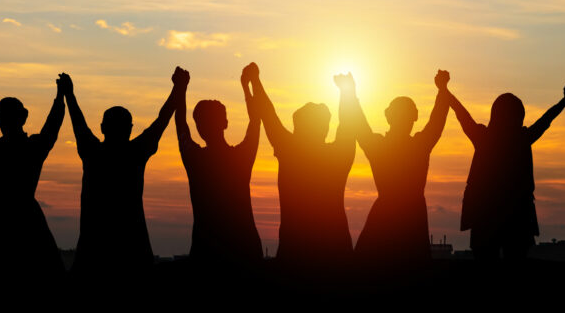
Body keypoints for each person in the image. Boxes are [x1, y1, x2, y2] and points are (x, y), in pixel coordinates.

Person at [64, 70, 178, 272]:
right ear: (130, 128)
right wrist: (178, 89)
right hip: (132, 248)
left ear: (102, 127)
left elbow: (78, 122)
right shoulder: (136, 152)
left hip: (93, 249)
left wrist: (69, 94)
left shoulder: (92, 152)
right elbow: (162, 120)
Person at [249, 63, 356, 267]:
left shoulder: (290, 150)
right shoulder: (338, 155)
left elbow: (267, 113)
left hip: (295, 252)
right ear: (324, 128)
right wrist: (347, 93)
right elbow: (348, 125)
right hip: (336, 252)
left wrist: (255, 80)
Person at [447, 81, 565, 261]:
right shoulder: (522, 138)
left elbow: (462, 114)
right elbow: (546, 120)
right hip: (517, 218)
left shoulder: (483, 137)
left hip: (485, 217)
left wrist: (445, 91)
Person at [0, 69, 65, 271]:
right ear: (24, 117)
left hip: (0, 217)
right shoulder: (33, 147)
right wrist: (61, 95)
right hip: (25, 216)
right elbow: (53, 125)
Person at [345, 69, 450, 267]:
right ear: (414, 118)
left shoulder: (381, 146)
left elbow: (359, 125)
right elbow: (437, 122)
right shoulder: (418, 145)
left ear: (388, 117)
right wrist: (442, 90)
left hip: (391, 217)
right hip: (410, 218)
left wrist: (350, 95)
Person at [174, 65, 263, 264]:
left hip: (206, 254)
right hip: (245, 251)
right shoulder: (242, 157)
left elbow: (180, 123)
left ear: (199, 128)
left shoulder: (194, 159)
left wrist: (180, 89)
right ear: (225, 123)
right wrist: (247, 86)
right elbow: (256, 120)